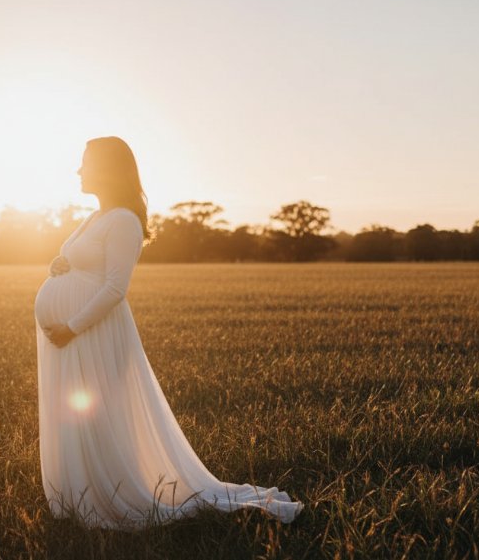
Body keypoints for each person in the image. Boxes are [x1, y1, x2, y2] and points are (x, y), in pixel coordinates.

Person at [33, 136, 303, 530]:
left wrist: (72, 327)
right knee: (78, 418)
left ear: (108, 169)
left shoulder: (124, 220)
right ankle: (79, 494)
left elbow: (115, 288)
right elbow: (85, 265)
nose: (78, 170)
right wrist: (62, 265)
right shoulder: (93, 218)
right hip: (70, 337)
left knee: (100, 416)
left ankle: (110, 494)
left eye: (86, 162)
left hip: (90, 333)